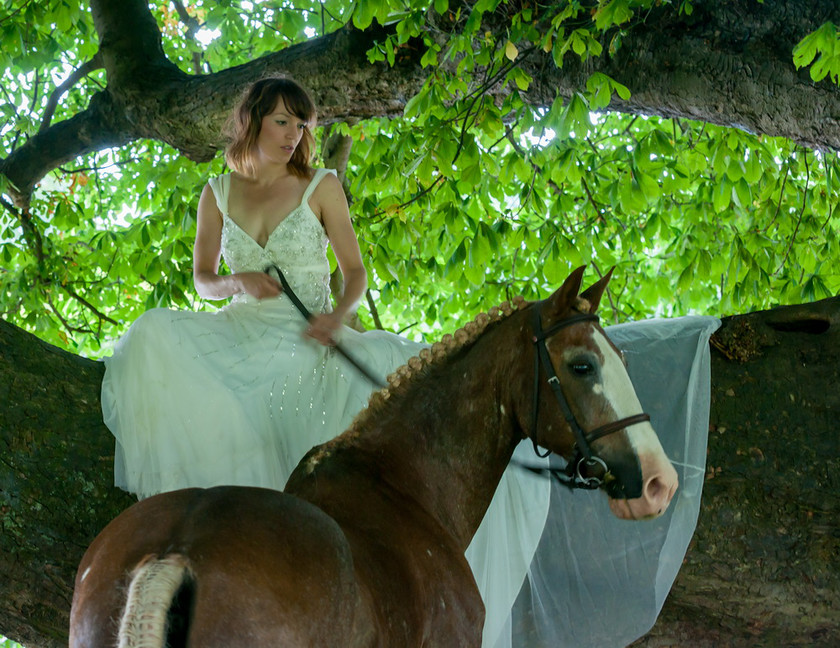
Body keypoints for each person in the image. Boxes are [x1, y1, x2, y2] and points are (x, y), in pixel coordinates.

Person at [101, 77, 720, 648]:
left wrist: (335, 319)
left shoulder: (321, 188)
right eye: (284, 122)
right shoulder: (217, 192)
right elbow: (203, 280)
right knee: (156, 337)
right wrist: (239, 283)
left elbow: (354, 272)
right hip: (240, 330)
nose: (294, 135)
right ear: (253, 120)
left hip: (312, 335)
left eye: (302, 125)